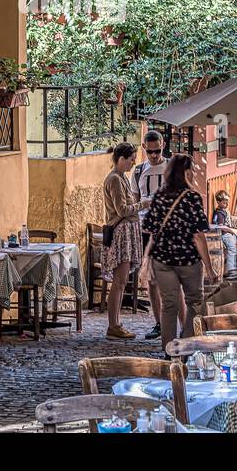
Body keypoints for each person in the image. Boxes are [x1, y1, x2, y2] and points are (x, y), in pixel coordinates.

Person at [141, 154, 216, 344]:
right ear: (186, 172)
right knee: (194, 302)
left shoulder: (160, 195)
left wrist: (147, 258)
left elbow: (151, 228)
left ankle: (169, 350)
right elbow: (198, 235)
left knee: (169, 305)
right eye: (191, 170)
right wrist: (209, 267)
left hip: (162, 260)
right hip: (188, 260)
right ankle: (188, 345)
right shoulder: (192, 197)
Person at [102, 142, 142, 340]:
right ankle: (113, 325)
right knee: (119, 282)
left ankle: (116, 323)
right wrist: (143, 204)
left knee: (122, 281)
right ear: (121, 159)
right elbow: (122, 210)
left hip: (127, 232)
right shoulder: (115, 180)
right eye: (131, 158)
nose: (134, 162)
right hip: (121, 234)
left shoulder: (121, 178)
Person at [132, 129, 169, 339]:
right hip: (145, 228)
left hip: (167, 229)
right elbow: (134, 201)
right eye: (150, 152)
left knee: (171, 276)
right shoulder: (138, 171)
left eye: (157, 151)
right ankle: (158, 322)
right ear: (144, 148)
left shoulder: (171, 168)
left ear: (162, 145)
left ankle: (174, 321)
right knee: (152, 279)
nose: (154, 156)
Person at [211, 190, 237, 279]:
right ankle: (231, 270)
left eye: (227, 202)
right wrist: (233, 231)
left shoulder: (224, 211)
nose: (226, 204)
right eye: (224, 203)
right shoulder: (219, 213)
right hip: (225, 234)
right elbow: (220, 227)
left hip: (231, 232)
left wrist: (235, 231)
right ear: (218, 202)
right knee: (232, 248)